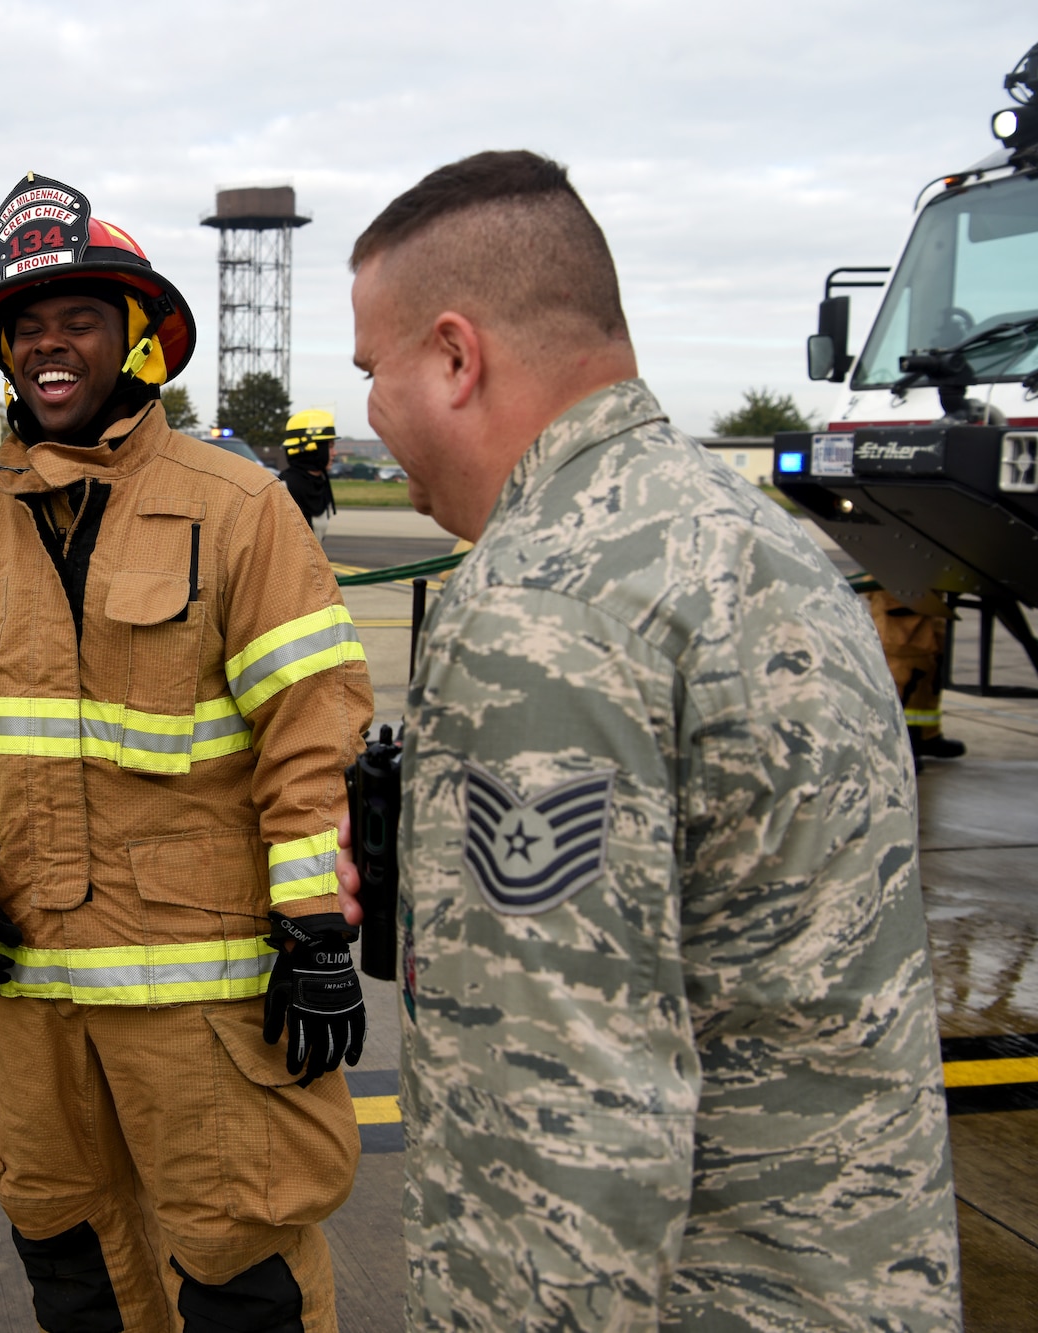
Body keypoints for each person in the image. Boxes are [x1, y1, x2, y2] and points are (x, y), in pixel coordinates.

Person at [346, 149, 960, 1328]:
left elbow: (552, 1125)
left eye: (376, 368)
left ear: (456, 356)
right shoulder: (760, 543)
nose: (370, 407)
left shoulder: (539, 604)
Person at [0, 172, 377, 1333]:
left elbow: (310, 727)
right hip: (25, 992)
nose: (50, 346)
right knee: (66, 1256)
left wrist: (312, 928)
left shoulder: (239, 505)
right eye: (26, 328)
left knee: (237, 1261)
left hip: (202, 997)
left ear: (135, 340)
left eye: (80, 321)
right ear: (3, 354)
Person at [866, 590, 966, 761]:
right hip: (900, 595)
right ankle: (891, 747)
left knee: (928, 672)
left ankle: (924, 737)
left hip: (926, 594)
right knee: (902, 671)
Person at [278, 408, 338, 541]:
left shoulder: (320, 486)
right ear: (313, 450)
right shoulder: (283, 489)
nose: (335, 453)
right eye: (329, 447)